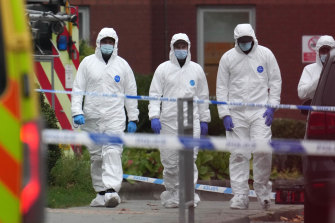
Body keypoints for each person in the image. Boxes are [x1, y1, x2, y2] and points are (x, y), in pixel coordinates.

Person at [216, 24, 282, 210]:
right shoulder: (227, 58)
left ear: (254, 38)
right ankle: (240, 196)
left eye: (248, 40)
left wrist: (272, 107)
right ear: (236, 41)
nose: (245, 44)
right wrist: (225, 113)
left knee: (262, 149)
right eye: (242, 41)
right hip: (236, 112)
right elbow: (222, 87)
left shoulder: (265, 54)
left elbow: (275, 81)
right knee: (238, 153)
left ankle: (262, 192)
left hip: (260, 110)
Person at [71, 27, 139, 208]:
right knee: (96, 156)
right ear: (98, 43)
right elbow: (78, 88)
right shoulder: (87, 63)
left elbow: (131, 93)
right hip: (92, 117)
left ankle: (111, 190)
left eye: (111, 42)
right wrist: (77, 111)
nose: (107, 45)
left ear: (115, 44)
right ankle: (100, 193)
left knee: (112, 151)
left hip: (114, 117)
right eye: (104, 41)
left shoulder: (122, 65)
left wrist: (133, 118)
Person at [148, 33, 211, 208]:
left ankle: (187, 194)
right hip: (168, 121)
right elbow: (154, 94)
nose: (181, 50)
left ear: (188, 47)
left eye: (184, 46)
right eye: (178, 46)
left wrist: (204, 119)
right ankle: (173, 193)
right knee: (169, 161)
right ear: (172, 48)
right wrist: (154, 116)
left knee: (189, 160)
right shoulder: (163, 69)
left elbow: (203, 96)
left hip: (191, 121)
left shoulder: (196, 70)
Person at [298, 35, 335, 100]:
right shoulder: (309, 69)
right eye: (323, 51)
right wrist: (319, 80)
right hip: (316, 107)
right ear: (318, 52)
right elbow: (301, 93)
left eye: (328, 51)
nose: (326, 54)